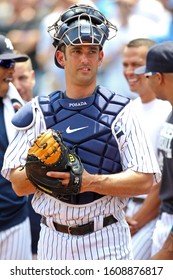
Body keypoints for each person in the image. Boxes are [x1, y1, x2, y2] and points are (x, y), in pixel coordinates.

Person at [1, 4, 160, 260]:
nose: (85, 59)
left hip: (107, 238)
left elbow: (144, 179)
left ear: (100, 56)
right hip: (53, 239)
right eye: (76, 51)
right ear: (61, 57)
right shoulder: (38, 111)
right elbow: (18, 185)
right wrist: (44, 173)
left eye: (91, 51)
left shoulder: (122, 110)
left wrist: (89, 182)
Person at [122, 38, 172, 259]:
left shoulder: (165, 110)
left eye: (140, 67)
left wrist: (135, 224)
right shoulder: (126, 110)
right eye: (126, 65)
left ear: (157, 76)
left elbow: (164, 180)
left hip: (154, 213)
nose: (132, 72)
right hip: (133, 211)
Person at [0, 34, 32, 259]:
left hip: (14, 218)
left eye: (12, 62)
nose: (10, 69)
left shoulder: (18, 108)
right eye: (4, 63)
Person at [12, 56, 41, 259]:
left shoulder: (48, 115)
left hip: (44, 226)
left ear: (32, 77)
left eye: (22, 78)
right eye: (10, 80)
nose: (17, 86)